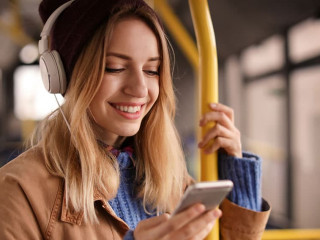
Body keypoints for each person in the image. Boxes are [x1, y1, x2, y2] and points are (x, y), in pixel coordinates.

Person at [0, 0, 270, 239]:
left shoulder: (171, 178)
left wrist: (237, 176)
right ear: (65, 77)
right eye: (115, 67)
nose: (140, 89)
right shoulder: (17, 190)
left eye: (152, 70)